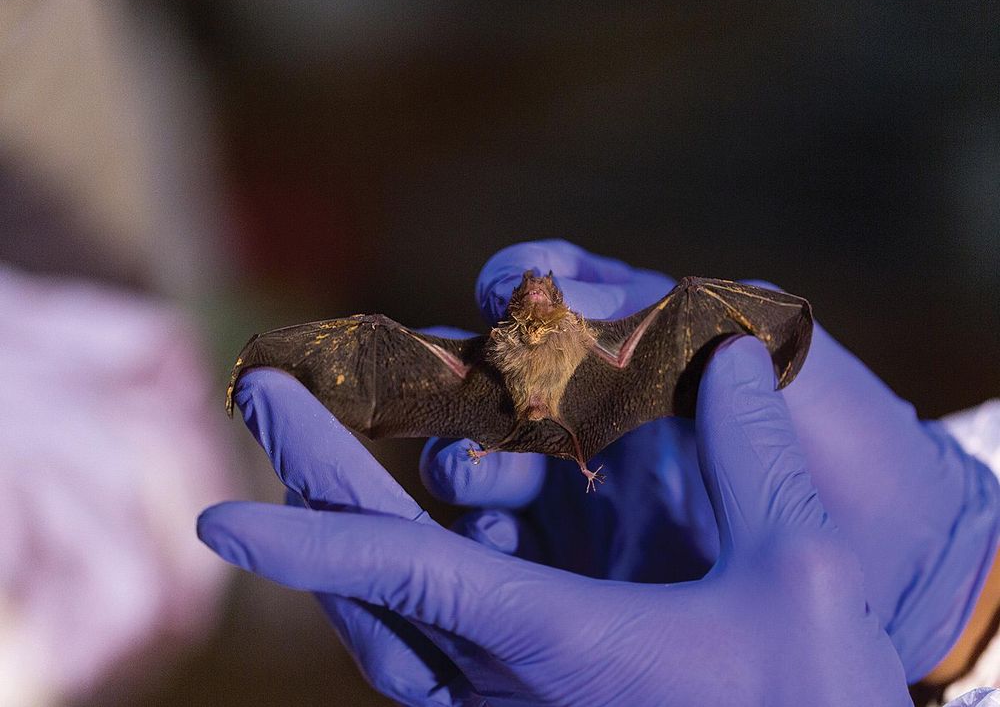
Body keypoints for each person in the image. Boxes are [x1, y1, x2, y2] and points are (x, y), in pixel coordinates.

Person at [199, 241, 1000, 706]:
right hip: (509, 412)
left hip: (590, 414)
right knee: (441, 419)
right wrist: (977, 594)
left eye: (547, 297)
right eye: (536, 299)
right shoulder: (500, 338)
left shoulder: (614, 343)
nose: (540, 301)